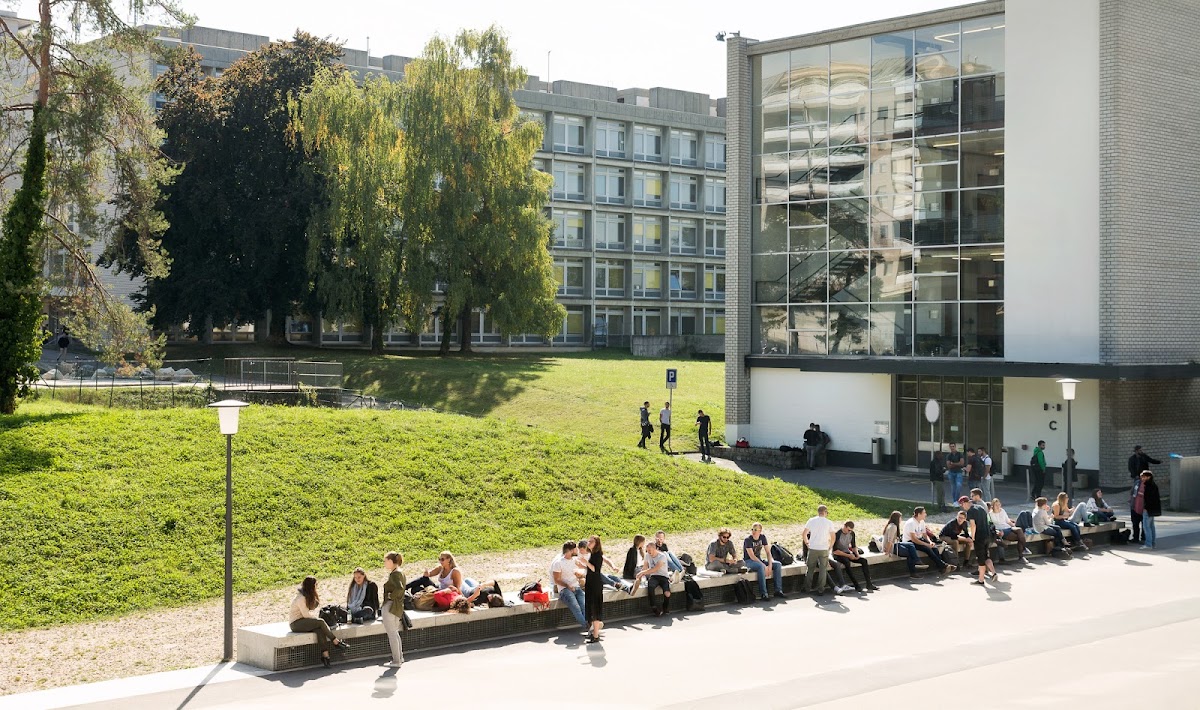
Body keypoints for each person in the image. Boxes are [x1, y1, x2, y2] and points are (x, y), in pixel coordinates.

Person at [289, 576, 350, 668]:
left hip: (303, 621)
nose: (317, 587)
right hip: (296, 623)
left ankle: (326, 656)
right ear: (312, 586)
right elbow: (306, 615)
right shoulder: (301, 598)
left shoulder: (306, 595)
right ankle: (336, 641)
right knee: (321, 622)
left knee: (319, 630)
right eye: (316, 585)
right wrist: (316, 620)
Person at [903, 507, 955, 577]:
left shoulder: (922, 522)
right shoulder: (911, 523)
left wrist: (930, 542)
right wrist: (926, 545)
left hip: (919, 539)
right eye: (924, 513)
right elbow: (913, 539)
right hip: (910, 542)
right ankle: (943, 566)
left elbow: (925, 535)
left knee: (934, 548)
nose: (926, 514)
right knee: (927, 549)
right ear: (919, 514)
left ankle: (941, 568)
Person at [550, 541, 589, 631]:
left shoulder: (575, 561)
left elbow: (582, 569)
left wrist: (581, 575)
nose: (577, 550)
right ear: (571, 550)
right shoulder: (558, 563)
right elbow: (557, 580)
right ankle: (589, 627)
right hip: (565, 590)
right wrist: (568, 586)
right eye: (575, 549)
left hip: (577, 587)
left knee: (585, 606)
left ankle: (591, 626)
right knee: (576, 608)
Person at [831, 521, 877, 592]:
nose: (849, 532)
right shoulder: (837, 534)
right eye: (848, 530)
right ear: (844, 526)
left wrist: (856, 554)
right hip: (838, 554)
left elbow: (853, 546)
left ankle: (869, 584)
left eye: (851, 531)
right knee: (846, 562)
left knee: (863, 561)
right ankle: (856, 585)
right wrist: (848, 555)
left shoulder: (852, 533)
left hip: (847, 552)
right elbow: (835, 551)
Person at [802, 506, 838, 595]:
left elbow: (804, 534)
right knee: (823, 570)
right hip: (824, 548)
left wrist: (807, 543)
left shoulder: (811, 520)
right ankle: (821, 589)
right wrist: (830, 546)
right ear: (825, 512)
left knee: (810, 569)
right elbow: (833, 536)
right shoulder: (829, 522)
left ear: (818, 512)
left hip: (813, 547)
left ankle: (807, 588)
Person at [406, 551, 477, 597]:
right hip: (440, 589)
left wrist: (464, 599)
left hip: (447, 593)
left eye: (442, 559)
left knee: (421, 584)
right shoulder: (441, 568)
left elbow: (457, 589)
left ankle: (404, 587)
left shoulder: (455, 571)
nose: (440, 561)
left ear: (449, 559)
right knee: (416, 588)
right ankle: (405, 588)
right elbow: (429, 575)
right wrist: (427, 573)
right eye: (439, 559)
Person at [963, 492, 997, 585]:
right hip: (987, 535)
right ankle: (993, 573)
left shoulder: (971, 511)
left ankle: (981, 580)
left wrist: (973, 537)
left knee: (981, 558)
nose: (963, 508)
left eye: (962, 505)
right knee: (986, 556)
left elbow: (973, 525)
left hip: (979, 537)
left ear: (965, 503)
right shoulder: (981, 508)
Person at [744, 522, 785, 600]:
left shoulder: (762, 537)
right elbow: (752, 556)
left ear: (760, 531)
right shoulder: (748, 540)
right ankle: (764, 593)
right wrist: (763, 565)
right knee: (760, 567)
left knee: (777, 564)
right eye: (753, 529)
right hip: (749, 561)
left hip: (759, 560)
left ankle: (778, 590)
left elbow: (768, 552)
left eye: (756, 529)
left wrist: (769, 565)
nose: (753, 531)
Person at [882, 511, 926, 579]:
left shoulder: (891, 525)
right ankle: (913, 572)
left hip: (895, 544)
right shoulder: (893, 527)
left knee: (910, 544)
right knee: (910, 553)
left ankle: (917, 561)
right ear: (897, 518)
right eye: (900, 518)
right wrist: (887, 551)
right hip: (892, 547)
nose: (901, 519)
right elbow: (889, 541)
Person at [380, 552, 405, 667]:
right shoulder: (400, 572)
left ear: (391, 561)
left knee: (391, 633)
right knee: (395, 632)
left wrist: (391, 596)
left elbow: (399, 588)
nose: (385, 563)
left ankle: (396, 660)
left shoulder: (395, 574)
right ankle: (399, 657)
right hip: (397, 606)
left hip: (390, 605)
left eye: (386, 561)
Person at [635, 541, 672, 616]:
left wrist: (642, 573)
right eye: (647, 550)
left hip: (663, 576)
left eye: (650, 550)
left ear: (655, 549)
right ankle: (654, 607)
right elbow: (645, 566)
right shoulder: (647, 555)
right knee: (650, 586)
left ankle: (665, 607)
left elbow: (655, 568)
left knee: (667, 593)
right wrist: (641, 576)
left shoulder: (662, 556)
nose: (648, 552)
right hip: (654, 576)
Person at [581, 535, 606, 643]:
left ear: (596, 544)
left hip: (595, 584)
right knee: (590, 608)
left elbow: (595, 569)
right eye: (589, 541)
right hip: (591, 583)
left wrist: (586, 562)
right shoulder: (592, 555)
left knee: (595, 609)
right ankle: (593, 633)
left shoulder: (598, 555)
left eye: (591, 541)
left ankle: (595, 635)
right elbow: (590, 568)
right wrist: (583, 565)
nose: (589, 543)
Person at [1137, 471, 1161, 550]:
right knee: (1151, 526)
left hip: (1148, 509)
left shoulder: (1148, 486)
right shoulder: (1153, 485)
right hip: (1153, 509)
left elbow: (1148, 499)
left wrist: (1145, 508)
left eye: (1143, 477)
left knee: (1146, 527)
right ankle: (1153, 543)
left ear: (1148, 477)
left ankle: (1148, 544)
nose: (1142, 479)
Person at [1129, 475, 1145, 544]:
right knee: (1135, 523)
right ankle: (1135, 538)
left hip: (1144, 508)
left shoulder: (1149, 485)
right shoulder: (1137, 483)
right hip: (1134, 506)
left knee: (1144, 525)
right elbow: (1132, 492)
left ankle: (1143, 538)